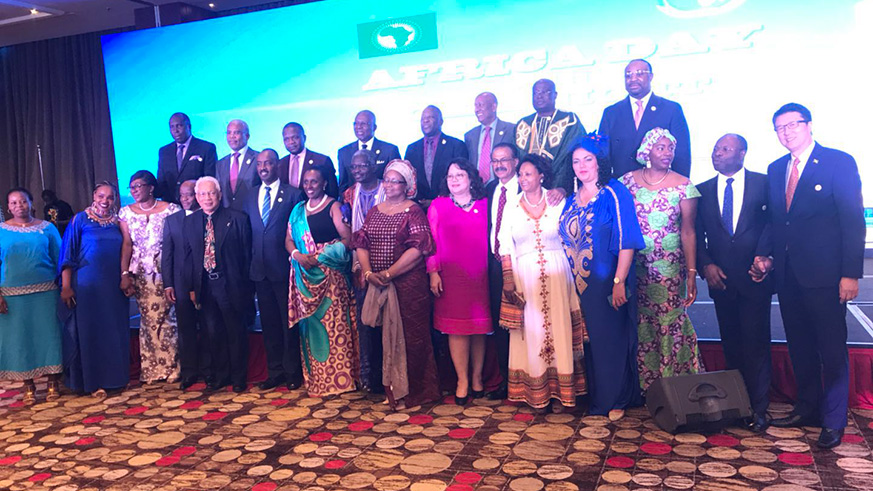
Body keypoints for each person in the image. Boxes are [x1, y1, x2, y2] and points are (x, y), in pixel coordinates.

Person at [758, 103, 864, 448]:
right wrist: (765, 255)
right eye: (780, 128)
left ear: (808, 125)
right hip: (788, 277)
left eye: (792, 125)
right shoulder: (776, 169)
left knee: (831, 349)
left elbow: (852, 220)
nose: (786, 132)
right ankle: (808, 407)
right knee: (800, 346)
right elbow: (777, 221)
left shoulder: (838, 162)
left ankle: (834, 420)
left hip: (827, 277)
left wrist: (850, 274)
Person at [558, 135, 644, 421]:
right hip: (577, 286)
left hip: (608, 284)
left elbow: (627, 240)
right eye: (576, 161)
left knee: (611, 340)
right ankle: (596, 397)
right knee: (589, 342)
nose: (582, 166)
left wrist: (619, 282)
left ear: (599, 162)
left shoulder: (615, 192)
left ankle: (617, 398)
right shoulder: (570, 199)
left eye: (588, 159)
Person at [695, 134, 773, 432]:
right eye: (715, 148)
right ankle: (738, 406)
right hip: (721, 281)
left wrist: (765, 258)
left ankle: (760, 408)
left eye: (724, 148)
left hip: (755, 278)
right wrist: (705, 265)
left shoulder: (764, 184)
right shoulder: (701, 190)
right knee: (732, 345)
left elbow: (772, 226)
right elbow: (697, 235)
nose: (717, 153)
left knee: (756, 344)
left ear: (742, 153)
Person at [497, 154, 587, 412]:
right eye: (521, 175)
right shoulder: (512, 206)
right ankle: (537, 395)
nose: (524, 179)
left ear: (541, 176)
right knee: (533, 332)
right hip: (525, 275)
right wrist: (508, 278)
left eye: (528, 174)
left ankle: (562, 395)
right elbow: (505, 242)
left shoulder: (557, 200)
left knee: (559, 329)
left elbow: (574, 236)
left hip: (559, 274)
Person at [619, 127, 702, 392]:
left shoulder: (684, 184)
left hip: (669, 270)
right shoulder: (626, 182)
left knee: (668, 322)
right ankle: (643, 386)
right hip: (635, 268)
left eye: (671, 148)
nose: (668, 153)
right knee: (640, 322)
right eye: (661, 148)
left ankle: (673, 387)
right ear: (647, 151)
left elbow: (688, 230)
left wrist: (691, 271)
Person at [353, 159, 440, 408]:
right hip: (377, 283)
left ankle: (414, 393)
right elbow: (361, 243)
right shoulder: (375, 210)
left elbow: (418, 249)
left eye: (395, 181)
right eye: (387, 180)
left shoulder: (413, 211)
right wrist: (369, 273)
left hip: (408, 287)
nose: (389, 185)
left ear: (407, 185)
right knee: (385, 338)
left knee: (410, 338)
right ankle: (391, 391)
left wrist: (389, 273)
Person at [287, 166, 359, 397]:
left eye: (314, 182)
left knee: (336, 328)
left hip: (331, 279)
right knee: (312, 330)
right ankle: (318, 380)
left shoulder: (334, 207)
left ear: (324, 183)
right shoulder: (297, 210)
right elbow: (288, 240)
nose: (309, 186)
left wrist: (318, 258)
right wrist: (298, 256)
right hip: (304, 279)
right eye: (306, 182)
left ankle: (342, 380)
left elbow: (348, 240)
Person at [427, 158, 492, 405]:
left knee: (479, 328)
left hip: (481, 277)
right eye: (450, 176)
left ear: (471, 178)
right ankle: (461, 380)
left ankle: (477, 378)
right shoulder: (438, 206)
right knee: (457, 330)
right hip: (451, 278)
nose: (454, 180)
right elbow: (431, 243)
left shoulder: (486, 204)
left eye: (460, 175)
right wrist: (433, 272)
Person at [59, 182, 130, 398]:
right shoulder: (79, 219)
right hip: (87, 286)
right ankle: (93, 382)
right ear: (93, 196)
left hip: (113, 287)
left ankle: (115, 379)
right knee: (91, 334)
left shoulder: (118, 221)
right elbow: (67, 254)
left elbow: (126, 248)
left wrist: (125, 275)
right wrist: (66, 286)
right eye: (101, 196)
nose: (105, 201)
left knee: (113, 332)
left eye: (109, 197)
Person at [183, 176, 253, 393]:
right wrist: (191, 287)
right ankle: (221, 376)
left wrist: (246, 287)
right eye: (202, 194)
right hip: (205, 285)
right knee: (213, 332)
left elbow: (246, 254)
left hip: (230, 283)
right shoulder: (191, 221)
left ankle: (239, 377)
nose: (207, 198)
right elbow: (188, 257)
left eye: (211, 193)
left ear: (219, 195)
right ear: (196, 197)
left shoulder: (238, 219)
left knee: (235, 331)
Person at [244, 149, 304, 391]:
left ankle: (292, 372)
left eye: (268, 163)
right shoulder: (249, 196)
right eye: (260, 164)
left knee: (287, 322)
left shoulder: (293, 194)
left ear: (277, 165)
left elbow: (298, 232)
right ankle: (275, 371)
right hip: (259, 270)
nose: (264, 167)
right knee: (268, 324)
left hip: (285, 269)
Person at [0, 188, 63, 404]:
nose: (19, 206)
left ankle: (53, 382)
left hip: (46, 292)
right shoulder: (1, 231)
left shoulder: (47, 228)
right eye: (14, 203)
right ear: (8, 207)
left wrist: (65, 287)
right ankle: (28, 385)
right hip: (12, 295)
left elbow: (60, 259)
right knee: (20, 340)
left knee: (49, 337)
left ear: (31, 203)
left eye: (23, 202)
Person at [119, 170, 182, 384]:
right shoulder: (126, 212)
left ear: (151, 187)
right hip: (141, 274)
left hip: (165, 270)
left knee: (168, 319)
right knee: (148, 321)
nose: (135, 190)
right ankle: (152, 370)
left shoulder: (171, 209)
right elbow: (127, 244)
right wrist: (125, 272)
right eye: (132, 187)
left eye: (139, 186)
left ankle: (172, 367)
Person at [599, 60, 691, 178]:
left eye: (639, 74)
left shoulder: (671, 109)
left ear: (651, 76)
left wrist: (680, 186)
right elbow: (603, 156)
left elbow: (682, 154)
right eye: (628, 75)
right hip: (622, 187)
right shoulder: (611, 113)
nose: (633, 79)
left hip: (660, 188)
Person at [342, 149, 386, 392]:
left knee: (388, 323)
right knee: (365, 322)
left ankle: (389, 376)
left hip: (389, 263)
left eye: (363, 166)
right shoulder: (349, 194)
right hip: (360, 266)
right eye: (354, 167)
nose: (358, 171)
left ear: (373, 165)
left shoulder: (387, 188)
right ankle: (370, 379)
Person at [161, 180, 210, 390]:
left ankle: (209, 371)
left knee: (209, 328)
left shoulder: (207, 218)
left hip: (205, 283)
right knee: (185, 329)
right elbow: (168, 255)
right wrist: (168, 284)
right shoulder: (172, 220)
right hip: (180, 284)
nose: (185, 199)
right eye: (182, 195)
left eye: (189, 194)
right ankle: (189, 372)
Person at [484, 143, 522, 401]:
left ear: (516, 162)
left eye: (504, 160)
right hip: (495, 265)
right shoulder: (489, 189)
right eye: (495, 160)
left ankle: (529, 380)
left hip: (523, 263)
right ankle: (507, 383)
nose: (499, 165)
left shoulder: (528, 185)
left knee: (526, 324)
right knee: (502, 324)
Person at [514, 79, 585, 200]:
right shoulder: (523, 124)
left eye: (545, 92)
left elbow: (570, 158)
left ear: (555, 95)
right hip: (528, 193)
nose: (539, 96)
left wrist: (562, 186)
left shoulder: (569, 121)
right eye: (536, 93)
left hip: (560, 191)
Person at [404, 105, 469, 202]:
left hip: (448, 205)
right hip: (419, 208)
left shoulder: (456, 145)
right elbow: (408, 180)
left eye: (430, 117)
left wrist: (436, 201)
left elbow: (462, 179)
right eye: (423, 119)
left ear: (441, 121)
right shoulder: (412, 148)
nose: (425, 121)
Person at [156, 112, 218, 203]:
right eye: (172, 127)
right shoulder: (164, 151)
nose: (175, 130)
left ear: (189, 126)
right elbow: (161, 180)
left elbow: (209, 179)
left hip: (197, 204)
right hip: (171, 205)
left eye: (179, 126)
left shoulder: (206, 148)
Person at [337, 110, 401, 193]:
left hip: (383, 201)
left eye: (363, 124)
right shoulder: (344, 152)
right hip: (354, 202)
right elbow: (343, 184)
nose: (359, 127)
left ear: (374, 127)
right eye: (356, 124)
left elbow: (398, 181)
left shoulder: (389, 150)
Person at [464, 92, 516, 182]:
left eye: (481, 105)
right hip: (478, 188)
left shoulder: (511, 130)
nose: (477, 110)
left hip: (503, 185)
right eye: (476, 106)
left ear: (493, 107)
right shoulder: (470, 135)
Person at [279, 122, 339, 198]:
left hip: (316, 208)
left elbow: (333, 192)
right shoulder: (280, 164)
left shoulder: (322, 161)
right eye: (286, 139)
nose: (291, 142)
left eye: (295, 137)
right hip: (289, 209)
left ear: (304, 138)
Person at [216, 119, 259, 210]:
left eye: (236, 133)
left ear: (247, 136)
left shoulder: (258, 159)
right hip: (227, 216)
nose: (232, 136)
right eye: (229, 133)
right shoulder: (220, 164)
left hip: (251, 214)